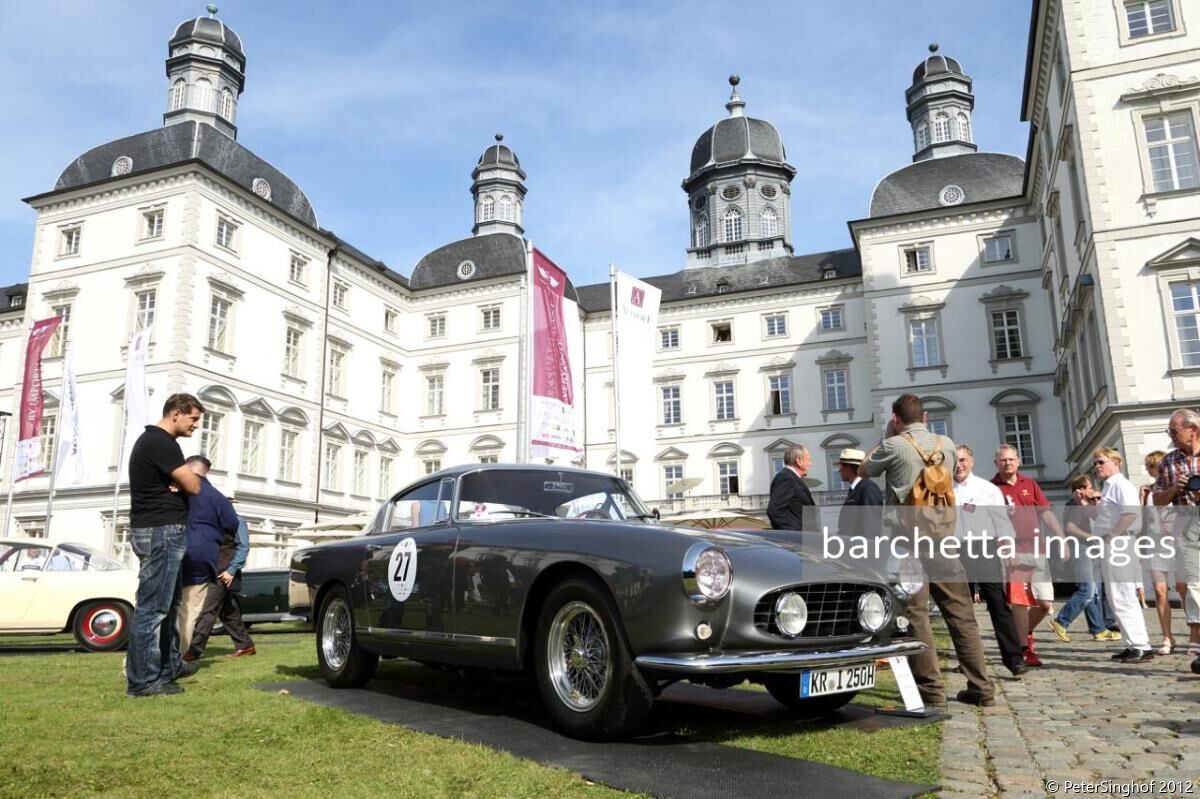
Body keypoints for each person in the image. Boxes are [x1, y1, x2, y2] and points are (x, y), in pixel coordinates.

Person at [860, 394, 994, 709]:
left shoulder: (894, 446)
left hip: (906, 539)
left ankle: (932, 692)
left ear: (896, 418)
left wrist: (887, 437)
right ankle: (981, 687)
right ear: (926, 416)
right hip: (944, 537)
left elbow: (865, 469)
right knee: (961, 614)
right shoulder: (946, 444)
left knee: (916, 614)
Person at [125, 393, 204, 698]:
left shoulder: (161, 445)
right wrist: (184, 479)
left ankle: (169, 665)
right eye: (193, 419)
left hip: (161, 530)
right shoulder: (160, 442)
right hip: (160, 532)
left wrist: (180, 480)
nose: (196, 426)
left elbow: (186, 483)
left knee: (169, 605)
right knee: (153, 608)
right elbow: (194, 485)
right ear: (176, 414)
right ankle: (143, 681)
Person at [952, 445, 1027, 676]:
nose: (959, 465)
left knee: (997, 603)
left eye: (963, 460)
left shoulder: (987, 489)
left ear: (972, 461)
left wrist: (1008, 549)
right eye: (955, 461)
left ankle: (1014, 658)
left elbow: (1002, 523)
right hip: (954, 550)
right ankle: (968, 659)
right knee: (959, 610)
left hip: (983, 548)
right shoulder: (944, 490)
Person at [992, 444, 1063, 667]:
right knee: (1019, 602)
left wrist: (1060, 536)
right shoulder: (992, 488)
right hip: (1011, 551)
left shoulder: (1030, 484)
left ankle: (1026, 631)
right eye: (1003, 460)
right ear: (996, 463)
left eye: (1011, 459)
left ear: (1018, 461)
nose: (1008, 463)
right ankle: (1024, 648)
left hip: (1036, 549)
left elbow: (1046, 513)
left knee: (1045, 602)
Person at [178, 455, 247, 660]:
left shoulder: (236, 519)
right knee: (227, 611)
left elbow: (243, 546)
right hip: (213, 568)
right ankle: (246, 644)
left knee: (207, 610)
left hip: (222, 570)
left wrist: (231, 570)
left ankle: (194, 649)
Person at [1092, 447, 1153, 663]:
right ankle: (1131, 642)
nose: (1097, 466)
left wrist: (1113, 534)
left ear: (1115, 462)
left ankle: (1141, 645)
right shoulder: (1109, 487)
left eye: (1101, 462)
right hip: (1111, 544)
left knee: (1124, 593)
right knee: (1115, 594)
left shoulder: (1120, 484)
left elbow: (1131, 513)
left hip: (1120, 543)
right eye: (1096, 463)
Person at [1151, 409, 1200, 675]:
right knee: (1193, 584)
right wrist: (1176, 489)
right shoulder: (1169, 461)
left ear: (1192, 430)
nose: (1171, 435)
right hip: (1185, 525)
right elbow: (1157, 501)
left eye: (1174, 430)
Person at [1050, 475, 1120, 642]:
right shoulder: (1074, 504)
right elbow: (1071, 528)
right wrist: (1092, 537)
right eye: (1089, 487)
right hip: (1080, 549)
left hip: (1089, 549)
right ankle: (1061, 621)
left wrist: (1094, 501)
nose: (1092, 490)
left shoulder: (1082, 504)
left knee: (1093, 592)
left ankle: (1098, 629)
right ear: (1079, 490)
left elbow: (1098, 517)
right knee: (1086, 590)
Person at [1141, 451, 1183, 656]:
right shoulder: (1149, 493)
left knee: (1184, 590)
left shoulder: (1178, 488)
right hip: (1156, 544)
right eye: (1150, 468)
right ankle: (1167, 637)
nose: (1154, 472)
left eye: (1156, 467)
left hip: (1177, 542)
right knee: (1160, 590)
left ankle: (1194, 633)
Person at [768, 444, 817, 532]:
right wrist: (792, 535)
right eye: (808, 459)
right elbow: (774, 511)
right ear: (799, 461)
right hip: (797, 541)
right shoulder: (786, 477)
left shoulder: (792, 477)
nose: (810, 464)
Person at [836, 447, 882, 538]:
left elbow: (870, 528)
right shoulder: (856, 489)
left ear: (849, 467)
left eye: (841, 466)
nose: (839, 470)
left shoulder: (868, 489)